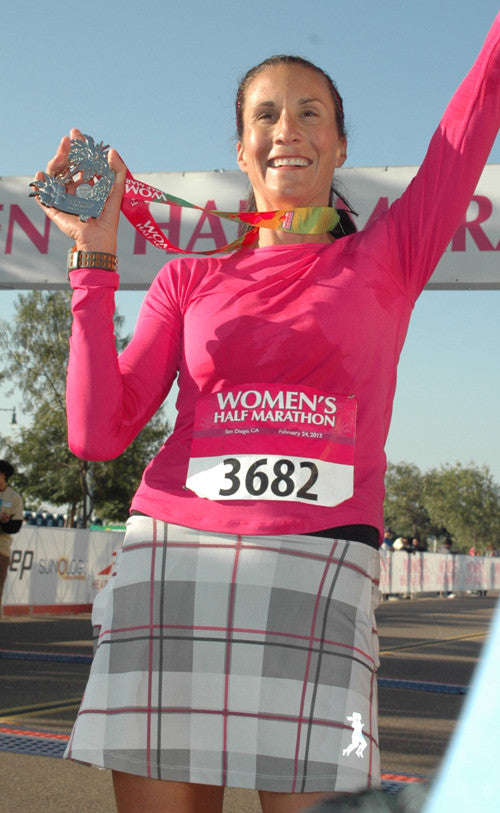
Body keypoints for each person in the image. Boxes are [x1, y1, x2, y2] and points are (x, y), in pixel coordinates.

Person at [34, 15, 500, 813]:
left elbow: (471, 119)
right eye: (267, 115)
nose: (289, 129)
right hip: (172, 563)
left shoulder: (388, 253)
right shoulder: (190, 281)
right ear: (241, 146)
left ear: (342, 146)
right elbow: (97, 432)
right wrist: (94, 256)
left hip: (318, 569)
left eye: (310, 111)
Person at [0, 459, 24, 614]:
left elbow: (15, 527)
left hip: (1, 551)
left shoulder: (14, 497)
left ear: (3, 475)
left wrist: (4, 523)